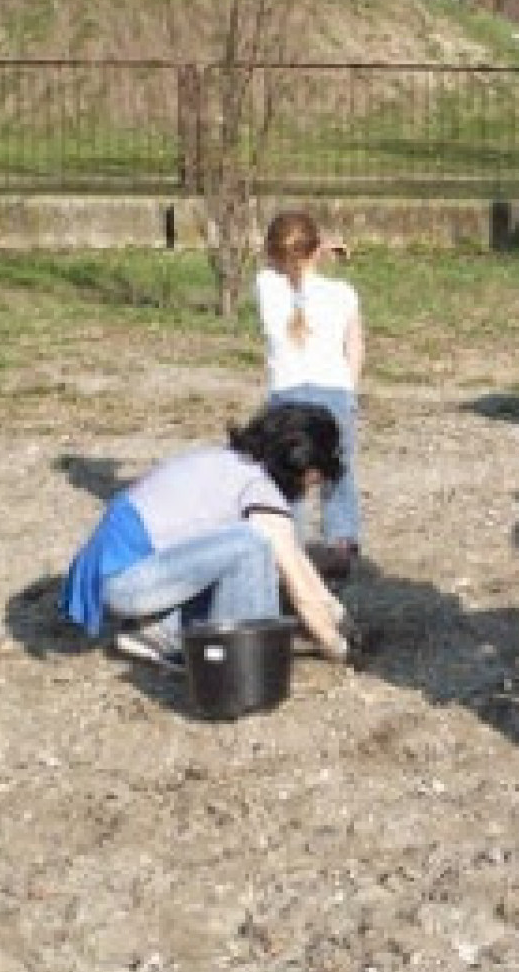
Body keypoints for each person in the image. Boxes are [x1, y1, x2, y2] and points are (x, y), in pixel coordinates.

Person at [60, 402, 355, 668]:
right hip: (126, 583)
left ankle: (159, 630)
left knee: (258, 558)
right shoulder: (258, 487)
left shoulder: (228, 463)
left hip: (120, 573)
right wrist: (335, 645)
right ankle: (244, 654)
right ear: (301, 465)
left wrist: (334, 611)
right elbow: (297, 582)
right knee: (252, 547)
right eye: (317, 476)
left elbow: (293, 553)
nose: (314, 488)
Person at [257, 211, 364, 584]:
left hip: (286, 397)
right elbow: (354, 347)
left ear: (274, 253)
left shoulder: (267, 288)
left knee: (290, 474)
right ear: (315, 250)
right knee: (339, 469)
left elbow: (274, 262)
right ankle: (342, 541)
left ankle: (292, 546)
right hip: (335, 392)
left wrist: (312, 249)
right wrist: (349, 391)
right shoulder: (344, 294)